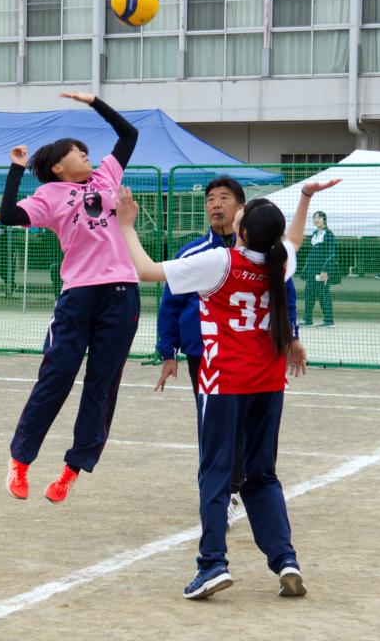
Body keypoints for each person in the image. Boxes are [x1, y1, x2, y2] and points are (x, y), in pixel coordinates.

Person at [116, 178, 339, 600]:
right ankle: (286, 560)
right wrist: (306, 198)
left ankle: (213, 564)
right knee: (262, 475)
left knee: (215, 473)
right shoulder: (279, 262)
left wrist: (127, 226)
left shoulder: (218, 263)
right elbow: (292, 237)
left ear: (244, 231)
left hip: (224, 384)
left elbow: (145, 271)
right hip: (269, 385)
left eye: (237, 212)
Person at [0, 91, 140, 504]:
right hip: (78, 294)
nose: (85, 154)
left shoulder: (106, 178)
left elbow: (128, 134)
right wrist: (15, 169)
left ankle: (71, 470)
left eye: (85, 149)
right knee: (57, 375)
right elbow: (8, 215)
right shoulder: (49, 196)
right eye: (77, 151)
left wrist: (95, 102)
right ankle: (20, 461)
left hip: (122, 293)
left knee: (102, 383)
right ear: (59, 166)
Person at [154, 177, 302, 527]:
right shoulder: (194, 254)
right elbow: (170, 304)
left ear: (241, 210)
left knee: (249, 430)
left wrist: (292, 337)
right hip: (204, 354)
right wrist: (168, 351)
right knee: (214, 428)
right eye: (210, 199)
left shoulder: (270, 254)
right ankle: (225, 492)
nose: (215, 205)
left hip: (252, 354)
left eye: (224, 198)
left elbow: (286, 298)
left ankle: (236, 490)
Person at [301, 210, 336, 328]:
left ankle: (329, 320)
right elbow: (311, 252)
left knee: (323, 294)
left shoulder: (329, 234)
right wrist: (306, 267)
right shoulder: (314, 233)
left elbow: (331, 254)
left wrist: (325, 270)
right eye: (314, 218)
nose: (316, 220)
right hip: (311, 270)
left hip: (322, 270)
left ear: (324, 219)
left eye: (318, 218)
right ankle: (307, 320)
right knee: (309, 293)